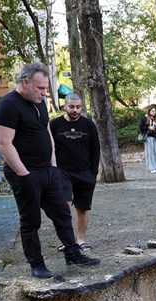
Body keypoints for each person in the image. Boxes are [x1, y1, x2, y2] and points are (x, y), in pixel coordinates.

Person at [0, 62, 100, 279]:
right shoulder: (8, 105)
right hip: (25, 174)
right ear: (25, 83)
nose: (44, 93)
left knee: (62, 214)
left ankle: (73, 254)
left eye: (45, 88)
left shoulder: (39, 102)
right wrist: (24, 174)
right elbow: (4, 143)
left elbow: (46, 131)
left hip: (48, 171)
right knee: (31, 220)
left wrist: (53, 163)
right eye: (40, 88)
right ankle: (37, 264)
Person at [50, 93, 100, 252]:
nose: (75, 110)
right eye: (71, 107)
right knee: (64, 205)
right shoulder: (54, 125)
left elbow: (96, 150)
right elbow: (49, 148)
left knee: (83, 208)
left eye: (78, 107)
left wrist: (93, 174)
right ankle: (68, 241)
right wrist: (53, 169)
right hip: (63, 172)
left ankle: (80, 240)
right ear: (65, 106)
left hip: (85, 172)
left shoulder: (89, 125)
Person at [139, 105, 156, 173]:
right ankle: (152, 168)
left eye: (155, 111)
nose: (154, 112)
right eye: (152, 111)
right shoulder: (145, 118)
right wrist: (148, 127)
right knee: (150, 153)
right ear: (149, 111)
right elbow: (141, 127)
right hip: (149, 136)